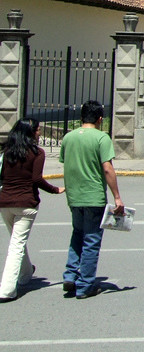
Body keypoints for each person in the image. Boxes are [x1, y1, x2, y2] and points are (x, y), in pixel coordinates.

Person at [60, 101, 124, 300]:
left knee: (77, 235)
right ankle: (85, 285)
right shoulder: (101, 138)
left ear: (81, 117)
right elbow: (107, 169)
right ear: (100, 119)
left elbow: (66, 163)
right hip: (93, 196)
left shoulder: (68, 138)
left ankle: (70, 275)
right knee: (91, 240)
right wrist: (117, 197)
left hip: (74, 196)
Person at [0, 118, 64, 302]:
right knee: (17, 245)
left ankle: (26, 272)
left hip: (5, 203)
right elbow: (37, 179)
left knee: (17, 241)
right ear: (30, 132)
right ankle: (7, 290)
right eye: (37, 130)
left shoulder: (7, 152)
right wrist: (55, 189)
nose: (39, 133)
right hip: (26, 204)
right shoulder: (37, 153)